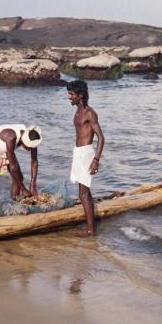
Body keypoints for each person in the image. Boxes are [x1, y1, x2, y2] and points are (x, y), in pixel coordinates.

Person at [0, 124, 42, 219]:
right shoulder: (11, 137)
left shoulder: (32, 136)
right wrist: (24, 189)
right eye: (28, 147)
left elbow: (34, 161)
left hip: (7, 149)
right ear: (24, 141)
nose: (29, 149)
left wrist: (33, 184)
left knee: (19, 177)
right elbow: (12, 168)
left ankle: (15, 202)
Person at [66, 80, 105, 236]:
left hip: (86, 154)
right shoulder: (77, 112)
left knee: (83, 193)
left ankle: (91, 231)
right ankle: (90, 226)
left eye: (72, 94)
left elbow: (101, 138)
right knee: (84, 192)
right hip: (78, 152)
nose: (69, 97)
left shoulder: (89, 113)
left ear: (80, 95)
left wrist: (96, 160)